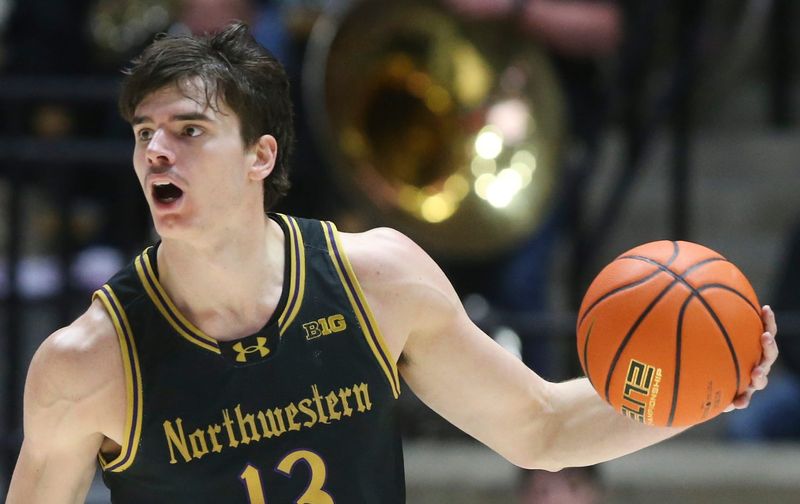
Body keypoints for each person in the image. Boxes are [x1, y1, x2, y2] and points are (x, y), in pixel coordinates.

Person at [6, 23, 778, 503]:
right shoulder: (86, 364)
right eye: (144, 133)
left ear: (260, 155)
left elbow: (542, 429)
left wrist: (700, 390)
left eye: (190, 129)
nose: (157, 151)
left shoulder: (376, 282)